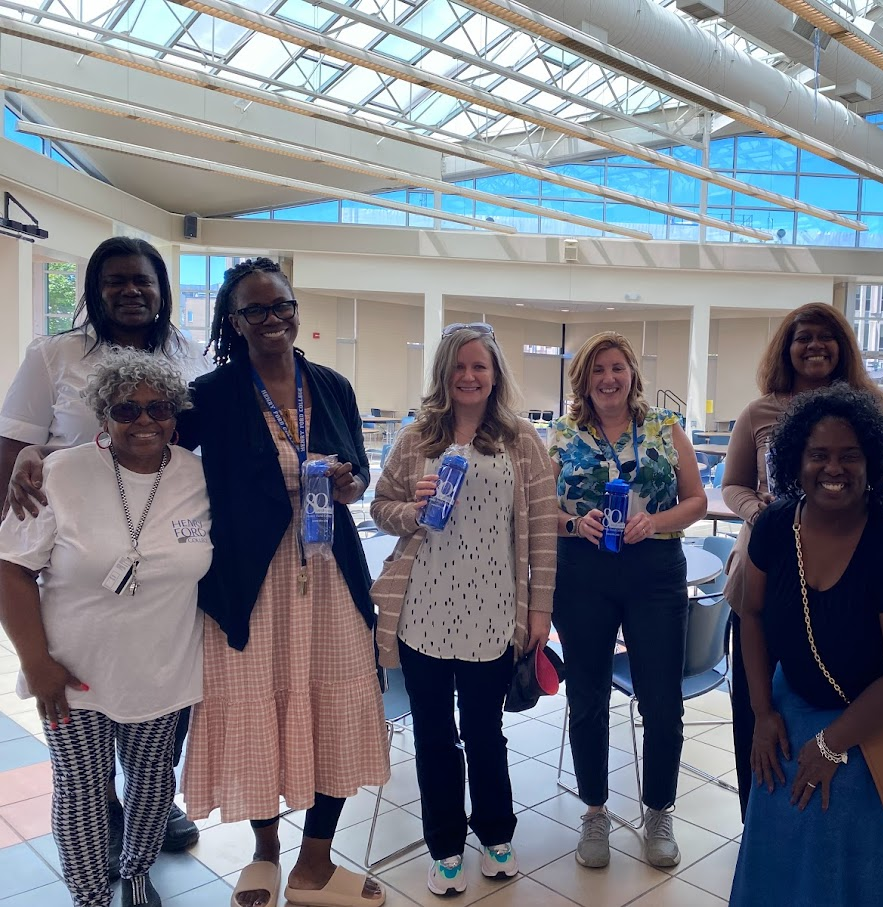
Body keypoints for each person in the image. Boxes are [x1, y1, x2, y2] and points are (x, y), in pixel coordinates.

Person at [177, 259, 389, 907]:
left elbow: (357, 470)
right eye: (256, 310)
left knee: (335, 707)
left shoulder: (331, 384)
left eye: (282, 305)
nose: (274, 319)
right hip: (249, 580)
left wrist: (350, 482)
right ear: (233, 322)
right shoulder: (210, 394)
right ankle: (265, 852)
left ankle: (315, 860)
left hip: (329, 578)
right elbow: (161, 459)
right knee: (252, 711)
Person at [0, 237, 208, 869]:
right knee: (84, 765)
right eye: (114, 280)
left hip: (163, 532)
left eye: (142, 280)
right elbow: (14, 446)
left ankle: (145, 809)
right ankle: (102, 821)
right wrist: (29, 476)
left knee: (152, 736)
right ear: (94, 288)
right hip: (76, 532)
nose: (130, 291)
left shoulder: (189, 356)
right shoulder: (54, 353)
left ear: (161, 289)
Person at [729, 384, 883, 905]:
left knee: (853, 864)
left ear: (873, 464)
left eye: (850, 456)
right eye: (818, 454)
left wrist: (832, 745)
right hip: (788, 709)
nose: (834, 469)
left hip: (876, 726)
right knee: (778, 857)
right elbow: (751, 613)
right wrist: (762, 712)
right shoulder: (778, 525)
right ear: (795, 461)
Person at [370, 322, 557, 896]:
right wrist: (412, 508)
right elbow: (381, 507)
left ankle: (497, 835)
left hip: (493, 618)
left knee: (484, 732)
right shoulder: (417, 439)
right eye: (459, 366)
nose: (469, 376)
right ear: (444, 374)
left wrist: (538, 613)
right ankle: (445, 847)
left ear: (495, 373)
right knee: (432, 736)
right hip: (423, 615)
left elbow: (545, 532)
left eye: (480, 366)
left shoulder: (521, 441)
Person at [721, 302, 883, 820]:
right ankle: (757, 820)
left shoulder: (874, 413)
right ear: (787, 347)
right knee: (760, 705)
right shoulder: (760, 412)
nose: (814, 346)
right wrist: (760, 514)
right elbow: (733, 483)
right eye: (803, 337)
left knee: (850, 697)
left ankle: (849, 820)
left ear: (843, 347)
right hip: (767, 571)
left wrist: (850, 521)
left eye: (827, 337)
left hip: (850, 579)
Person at [548, 331, 707, 869]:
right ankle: (594, 814)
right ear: (583, 381)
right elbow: (536, 509)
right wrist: (573, 521)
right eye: (597, 370)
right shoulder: (562, 433)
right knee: (587, 696)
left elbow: (697, 500)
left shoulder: (664, 428)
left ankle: (658, 810)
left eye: (617, 368)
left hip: (655, 569)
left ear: (632, 374)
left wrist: (654, 522)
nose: (608, 379)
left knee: (662, 699)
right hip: (582, 569)